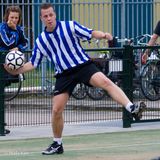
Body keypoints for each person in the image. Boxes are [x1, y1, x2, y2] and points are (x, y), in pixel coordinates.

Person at [4, 3, 146, 155]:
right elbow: (33, 63)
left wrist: (104, 35)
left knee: (106, 82)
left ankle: (131, 108)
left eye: (51, 15)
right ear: (41, 19)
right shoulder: (41, 40)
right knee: (56, 110)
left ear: (55, 15)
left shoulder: (69, 26)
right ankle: (57, 144)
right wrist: (15, 70)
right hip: (64, 74)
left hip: (83, 66)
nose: (49, 18)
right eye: (45, 16)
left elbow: (90, 33)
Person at [0, 5, 28, 134]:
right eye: (12, 17)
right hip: (1, 63)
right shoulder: (2, 27)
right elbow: (8, 44)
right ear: (7, 17)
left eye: (16, 18)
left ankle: (1, 124)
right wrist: (14, 31)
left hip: (10, 65)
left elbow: (25, 42)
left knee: (2, 94)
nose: (14, 20)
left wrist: (19, 49)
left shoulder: (19, 29)